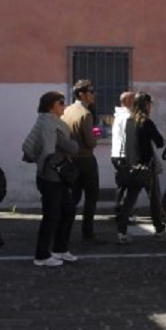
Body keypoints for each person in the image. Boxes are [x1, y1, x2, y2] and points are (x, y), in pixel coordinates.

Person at [23, 91, 79, 267]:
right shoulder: (51, 125)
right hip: (51, 177)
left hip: (53, 176)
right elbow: (70, 147)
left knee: (67, 210)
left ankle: (59, 249)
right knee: (52, 216)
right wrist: (74, 144)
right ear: (50, 106)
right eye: (60, 103)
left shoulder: (45, 122)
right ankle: (41, 255)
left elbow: (30, 147)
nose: (64, 106)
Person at [117, 92, 166, 243]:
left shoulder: (129, 121)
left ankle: (121, 232)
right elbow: (159, 142)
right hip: (146, 167)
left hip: (132, 167)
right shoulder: (146, 122)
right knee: (155, 199)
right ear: (147, 105)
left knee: (129, 201)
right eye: (150, 104)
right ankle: (160, 229)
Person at [61, 79, 101, 243]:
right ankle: (88, 233)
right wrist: (96, 134)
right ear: (82, 94)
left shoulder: (67, 111)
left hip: (71, 159)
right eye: (90, 92)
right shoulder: (85, 114)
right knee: (91, 197)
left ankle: (64, 231)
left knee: (73, 197)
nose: (93, 95)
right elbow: (90, 142)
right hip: (85, 159)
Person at [111, 91, 135, 219]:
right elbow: (128, 136)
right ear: (126, 101)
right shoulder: (126, 116)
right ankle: (122, 212)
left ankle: (120, 210)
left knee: (122, 184)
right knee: (127, 184)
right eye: (133, 99)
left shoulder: (119, 115)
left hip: (117, 154)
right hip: (123, 154)